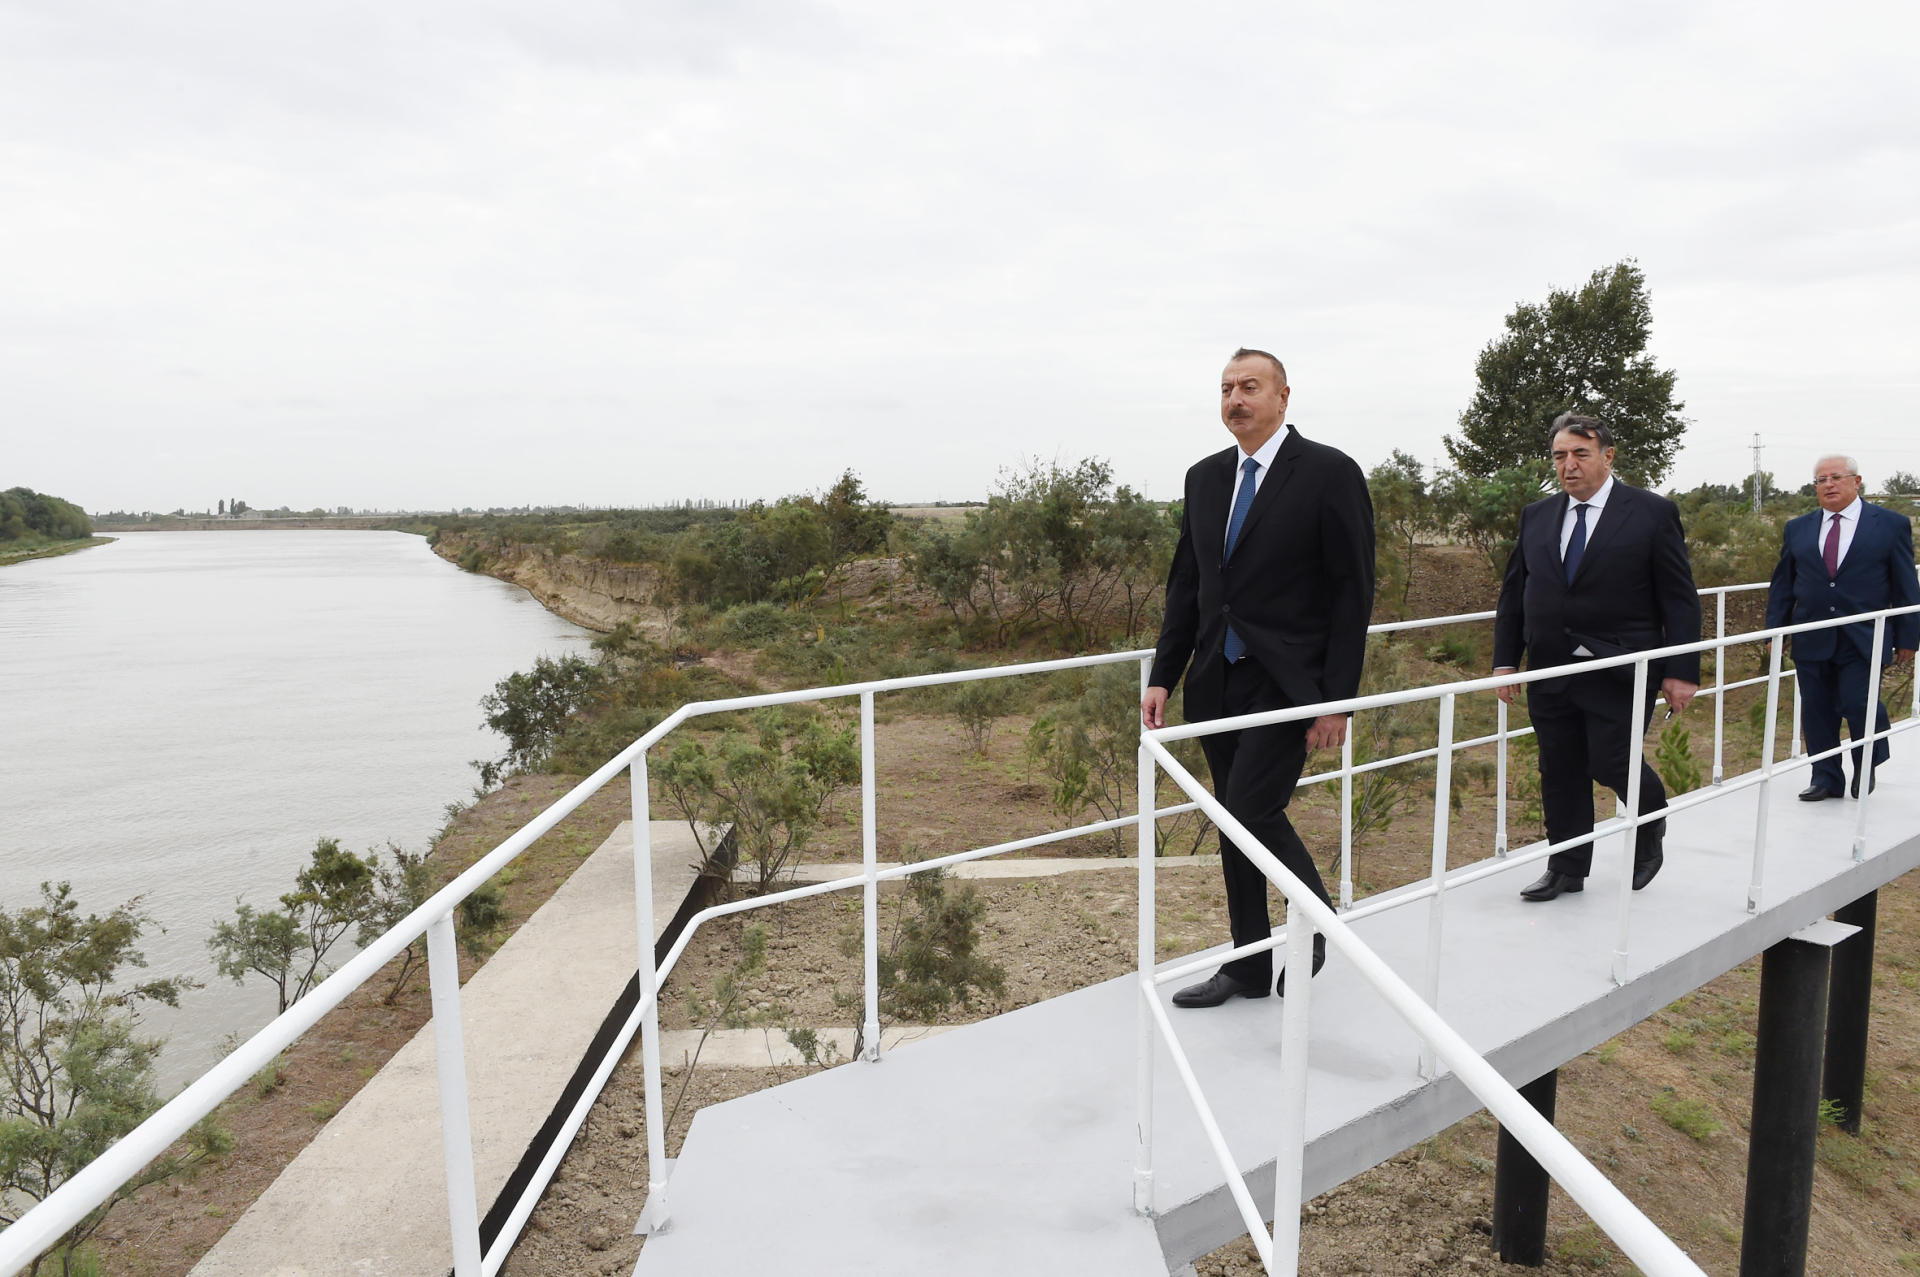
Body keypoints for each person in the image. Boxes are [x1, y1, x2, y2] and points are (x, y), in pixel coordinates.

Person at [1141, 348, 1375, 1008]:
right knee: (1230, 821)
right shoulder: (1205, 477)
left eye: (1249, 387)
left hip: (1288, 682)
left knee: (1251, 809)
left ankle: (1319, 921)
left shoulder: (1330, 473)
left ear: (1283, 396)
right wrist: (1165, 672)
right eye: (1225, 389)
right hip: (1217, 678)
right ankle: (1246, 964)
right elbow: (1187, 584)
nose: (1235, 399)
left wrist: (1336, 700)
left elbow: (1352, 594)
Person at [1492, 413, 1701, 902]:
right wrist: (1506, 660)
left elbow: (1679, 597)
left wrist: (1682, 671)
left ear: (1608, 456)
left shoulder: (1651, 513)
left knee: (1611, 760)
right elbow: (1514, 594)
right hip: (1551, 664)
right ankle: (1566, 868)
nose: (1569, 466)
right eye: (1560, 456)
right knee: (1559, 767)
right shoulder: (1537, 515)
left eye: (1580, 454)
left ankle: (1650, 816)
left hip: (1622, 665)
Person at [1763, 454, 1920, 800]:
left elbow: (1905, 584)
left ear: (1856, 481)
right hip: (1811, 634)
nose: (1828, 485)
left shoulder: (1890, 524)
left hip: (1864, 635)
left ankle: (1868, 763)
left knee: (1858, 702)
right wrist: (1777, 630)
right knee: (1816, 710)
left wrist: (1909, 635)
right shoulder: (1799, 527)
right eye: (1821, 480)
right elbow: (1783, 585)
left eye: (1835, 477)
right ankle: (1826, 778)